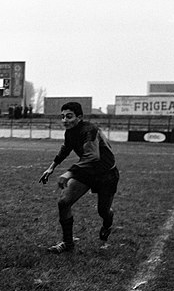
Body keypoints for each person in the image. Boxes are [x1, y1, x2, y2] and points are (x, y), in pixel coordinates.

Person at [39, 101, 119, 253]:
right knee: (63, 202)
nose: (64, 120)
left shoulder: (90, 130)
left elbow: (92, 156)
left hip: (106, 174)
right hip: (87, 172)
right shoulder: (70, 132)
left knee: (103, 211)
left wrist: (69, 173)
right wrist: (51, 167)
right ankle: (68, 244)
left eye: (69, 116)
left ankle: (107, 224)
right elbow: (66, 148)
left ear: (80, 117)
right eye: (62, 117)